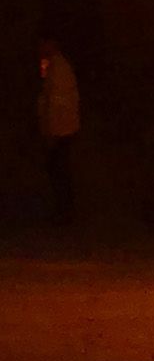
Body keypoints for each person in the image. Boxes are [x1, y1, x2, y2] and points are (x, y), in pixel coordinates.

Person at [36, 38, 81, 225]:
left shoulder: (59, 68)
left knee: (59, 170)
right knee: (57, 169)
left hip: (60, 130)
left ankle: (65, 212)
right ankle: (64, 210)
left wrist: (52, 132)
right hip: (61, 128)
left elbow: (56, 104)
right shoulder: (53, 65)